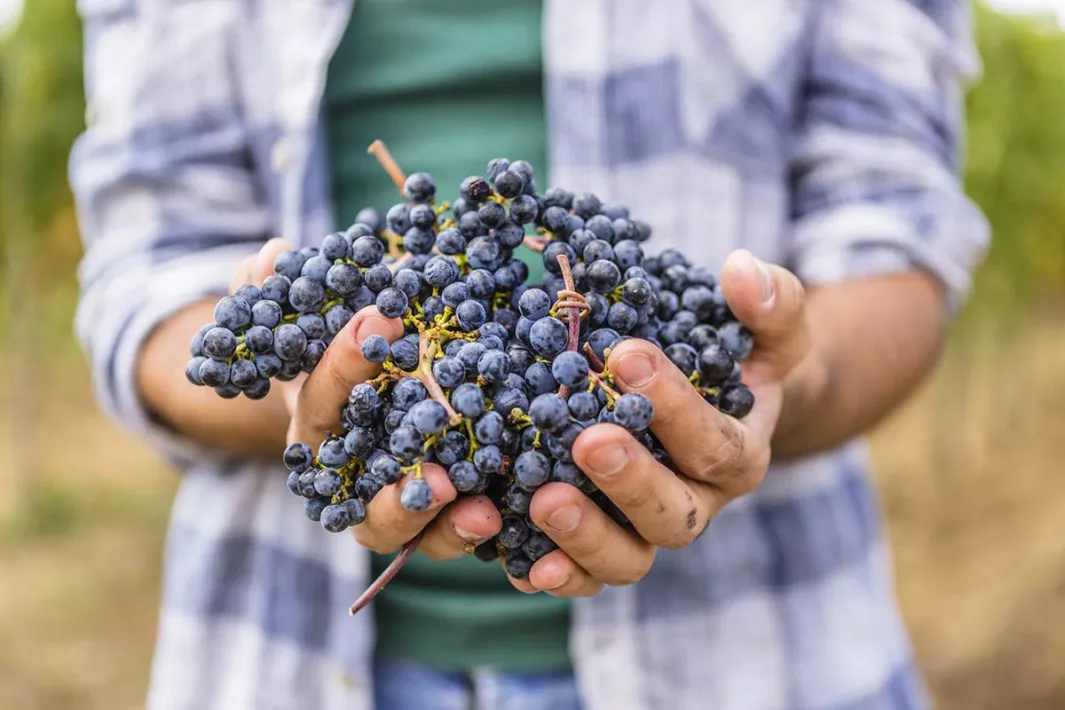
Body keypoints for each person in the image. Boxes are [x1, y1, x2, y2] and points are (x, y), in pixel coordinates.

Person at [70, 1, 989, 709]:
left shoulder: (583, 308)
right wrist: (293, 395)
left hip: (769, 657)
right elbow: (149, 284)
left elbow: (898, 233)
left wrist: (790, 378)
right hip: (273, 657)